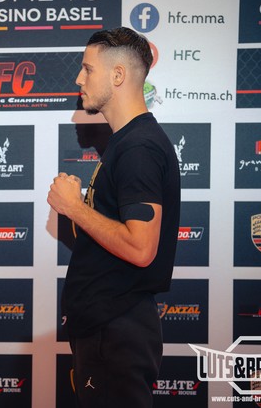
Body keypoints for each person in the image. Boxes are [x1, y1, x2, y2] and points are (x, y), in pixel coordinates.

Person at [47, 27, 180, 407]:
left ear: (118, 75)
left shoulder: (139, 147)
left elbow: (140, 248)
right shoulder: (128, 142)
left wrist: (74, 207)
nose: (78, 79)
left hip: (117, 329)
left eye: (88, 69)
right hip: (110, 326)